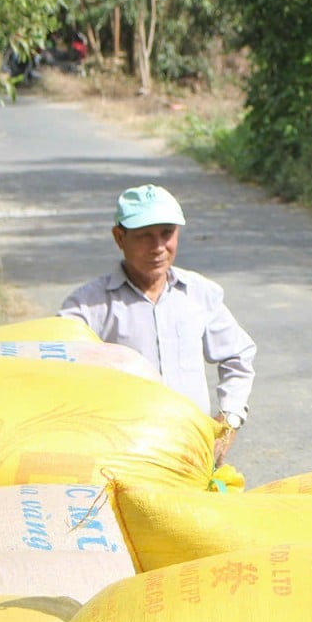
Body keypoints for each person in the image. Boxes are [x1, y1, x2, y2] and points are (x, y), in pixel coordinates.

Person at [60, 184, 256, 465]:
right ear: (119, 237)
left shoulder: (199, 294)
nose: (158, 247)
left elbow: (238, 354)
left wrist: (229, 419)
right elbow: (56, 372)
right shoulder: (87, 307)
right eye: (145, 236)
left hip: (191, 453)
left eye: (167, 233)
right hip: (122, 456)